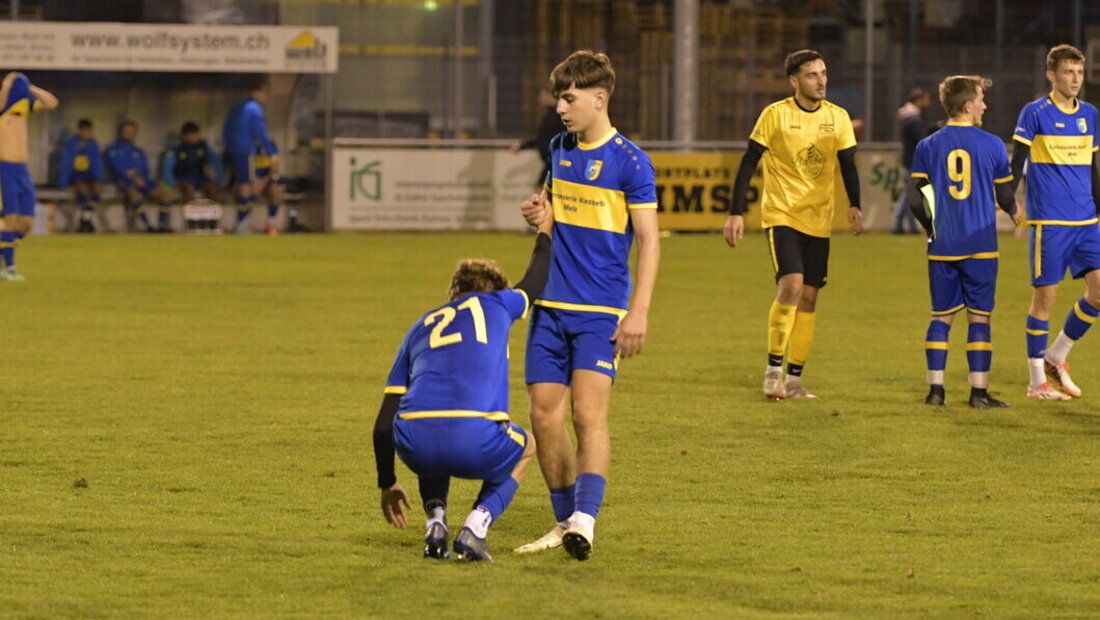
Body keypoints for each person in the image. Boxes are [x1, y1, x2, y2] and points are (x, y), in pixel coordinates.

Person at [516, 50, 660, 561]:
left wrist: (638, 311)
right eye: (559, 97)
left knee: (587, 413)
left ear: (599, 99)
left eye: (569, 97)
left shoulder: (631, 162)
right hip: (549, 308)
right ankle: (563, 521)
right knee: (543, 415)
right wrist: (539, 212)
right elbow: (549, 210)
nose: (560, 107)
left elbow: (649, 240)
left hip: (600, 311)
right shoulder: (559, 148)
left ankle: (585, 519)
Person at [373, 215, 553, 561]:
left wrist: (387, 483)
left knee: (431, 425)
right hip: (475, 439)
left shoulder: (420, 326)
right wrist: (545, 229)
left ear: (453, 293)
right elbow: (537, 277)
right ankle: (476, 527)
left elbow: (382, 426)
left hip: (414, 442)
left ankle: (435, 524)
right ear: (497, 292)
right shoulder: (500, 304)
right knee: (528, 445)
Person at [723, 49, 863, 400]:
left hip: (819, 219)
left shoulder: (839, 117)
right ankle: (773, 372)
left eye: (824, 73)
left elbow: (847, 164)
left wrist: (855, 204)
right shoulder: (775, 115)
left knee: (810, 297)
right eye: (812, 75)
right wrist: (736, 211)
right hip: (782, 215)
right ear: (795, 81)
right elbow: (747, 162)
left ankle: (796, 378)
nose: (821, 81)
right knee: (792, 285)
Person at [906, 75, 1022, 408]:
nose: (984, 105)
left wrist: (931, 228)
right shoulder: (993, 144)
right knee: (979, 318)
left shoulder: (927, 145)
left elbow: (914, 198)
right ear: (968, 105)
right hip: (981, 246)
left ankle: (936, 391)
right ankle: (979, 393)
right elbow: (1003, 193)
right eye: (981, 99)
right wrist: (1015, 210)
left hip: (942, 245)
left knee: (941, 317)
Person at [1012, 44, 1100, 400]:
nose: (1076, 79)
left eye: (1079, 72)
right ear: (1052, 75)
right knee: (1044, 301)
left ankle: (1056, 355)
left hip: (1087, 221)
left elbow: (1093, 169)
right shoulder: (1035, 112)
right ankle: (1037, 382)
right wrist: (1008, 202)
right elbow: (1017, 162)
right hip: (1051, 222)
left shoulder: (1090, 114)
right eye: (1068, 72)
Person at [0, 72, 58, 281]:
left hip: (22, 170)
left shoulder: (23, 108)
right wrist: (7, 84)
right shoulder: (3, 111)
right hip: (4, 169)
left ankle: (3, 253)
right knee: (10, 219)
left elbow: (51, 103)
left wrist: (30, 87)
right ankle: (9, 267)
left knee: (26, 223)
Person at [223, 82, 279, 234]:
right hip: (246, 150)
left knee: (244, 183)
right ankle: (243, 223)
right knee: (246, 185)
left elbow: (226, 129)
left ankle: (243, 222)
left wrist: (229, 147)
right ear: (257, 93)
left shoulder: (236, 108)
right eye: (265, 94)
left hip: (233, 151)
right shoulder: (254, 109)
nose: (266, 98)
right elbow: (261, 132)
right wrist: (271, 152)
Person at [103, 121, 174, 233]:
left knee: (165, 195)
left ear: (136, 133)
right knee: (133, 194)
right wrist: (130, 175)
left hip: (142, 179)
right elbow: (115, 166)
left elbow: (146, 169)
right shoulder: (113, 149)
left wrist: (139, 176)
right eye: (127, 131)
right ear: (122, 132)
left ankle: (161, 226)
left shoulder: (139, 151)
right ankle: (148, 226)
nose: (129, 134)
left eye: (132, 131)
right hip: (123, 181)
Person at [893, 88, 931, 234]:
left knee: (909, 195)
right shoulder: (914, 119)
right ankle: (897, 224)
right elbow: (922, 138)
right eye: (925, 99)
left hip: (908, 161)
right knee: (909, 196)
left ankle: (908, 226)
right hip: (913, 162)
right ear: (918, 100)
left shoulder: (909, 118)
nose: (928, 102)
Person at [510, 87, 566, 187]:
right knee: (542, 190)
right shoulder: (549, 116)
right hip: (551, 162)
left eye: (542, 96)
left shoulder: (560, 116)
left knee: (542, 190)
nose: (540, 99)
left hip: (556, 161)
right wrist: (523, 146)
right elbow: (542, 138)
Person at [58, 118, 106, 234]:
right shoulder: (71, 145)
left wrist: (99, 180)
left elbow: (97, 163)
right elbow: (65, 164)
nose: (87, 133)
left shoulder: (93, 145)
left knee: (97, 189)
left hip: (89, 176)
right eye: (85, 131)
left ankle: (85, 219)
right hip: (75, 176)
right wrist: (63, 184)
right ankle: (86, 221)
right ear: (79, 131)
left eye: (89, 131)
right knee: (82, 188)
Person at [162, 121, 223, 204]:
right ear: (184, 135)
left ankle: (213, 215)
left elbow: (216, 163)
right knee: (189, 188)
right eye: (189, 134)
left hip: (200, 177)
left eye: (194, 134)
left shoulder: (203, 146)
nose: (192, 137)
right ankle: (191, 215)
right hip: (183, 178)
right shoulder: (178, 148)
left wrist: (219, 181)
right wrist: (172, 184)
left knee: (212, 188)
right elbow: (167, 168)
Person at [252, 141, 283, 236]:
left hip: (268, 178)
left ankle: (271, 224)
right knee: (248, 190)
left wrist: (265, 179)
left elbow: (276, 164)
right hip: (253, 179)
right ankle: (243, 223)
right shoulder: (249, 144)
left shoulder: (271, 144)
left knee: (276, 191)